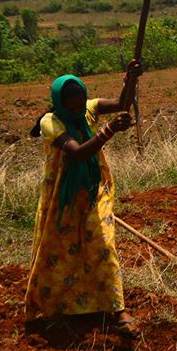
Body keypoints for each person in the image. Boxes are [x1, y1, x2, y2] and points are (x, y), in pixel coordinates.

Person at [25, 61, 141, 334]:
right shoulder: (50, 122)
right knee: (57, 250)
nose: (77, 103)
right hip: (62, 197)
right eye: (70, 99)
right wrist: (109, 130)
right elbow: (77, 152)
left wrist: (131, 79)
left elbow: (122, 102)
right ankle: (53, 304)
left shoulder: (89, 108)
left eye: (79, 97)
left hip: (93, 190)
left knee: (103, 244)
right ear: (60, 101)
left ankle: (116, 309)